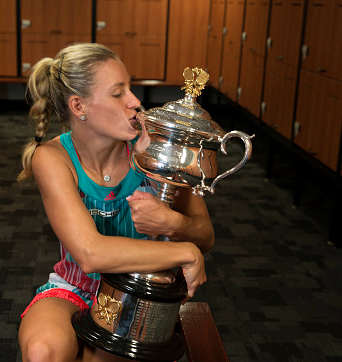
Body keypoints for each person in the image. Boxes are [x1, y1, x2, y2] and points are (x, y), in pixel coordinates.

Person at [17, 43, 214, 362]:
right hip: (75, 288)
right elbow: (90, 254)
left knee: (101, 358)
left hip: (140, 296)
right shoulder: (53, 158)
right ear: (79, 106)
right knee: (43, 352)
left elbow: (206, 234)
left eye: (131, 89)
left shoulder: (159, 149)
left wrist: (174, 224)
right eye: (118, 93)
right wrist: (185, 251)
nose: (136, 102)